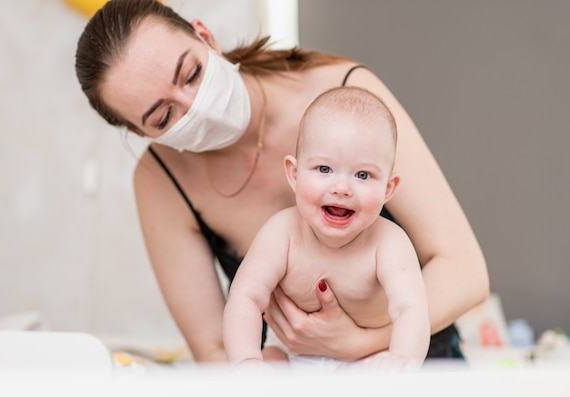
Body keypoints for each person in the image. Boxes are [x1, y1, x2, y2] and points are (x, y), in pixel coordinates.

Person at [75, 0, 489, 363]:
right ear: (141, 133)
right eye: (163, 117)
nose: (194, 106)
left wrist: (358, 344)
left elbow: (465, 272)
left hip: (419, 373)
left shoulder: (345, 92)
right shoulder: (160, 180)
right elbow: (216, 351)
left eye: (192, 73)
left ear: (205, 36)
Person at [223, 86, 430, 371]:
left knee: (386, 387)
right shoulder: (281, 233)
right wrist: (246, 360)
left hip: (364, 362)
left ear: (388, 188)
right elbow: (245, 297)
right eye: (324, 169)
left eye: (363, 174)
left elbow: (410, 309)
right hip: (289, 358)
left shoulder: (390, 243)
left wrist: (401, 359)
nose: (341, 188)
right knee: (268, 368)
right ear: (294, 175)